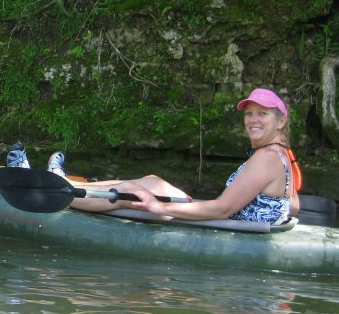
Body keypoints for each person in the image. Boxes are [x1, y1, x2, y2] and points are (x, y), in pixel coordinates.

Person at [48, 88, 301, 223]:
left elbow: (223, 209)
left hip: (227, 226)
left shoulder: (266, 157)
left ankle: (57, 194)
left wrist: (158, 206)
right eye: (249, 114)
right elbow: (294, 205)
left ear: (281, 122)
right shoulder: (281, 155)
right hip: (232, 221)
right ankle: (67, 183)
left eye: (262, 114)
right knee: (151, 181)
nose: (253, 120)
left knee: (129, 193)